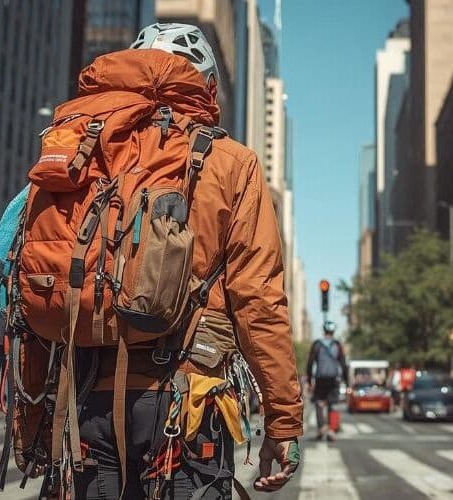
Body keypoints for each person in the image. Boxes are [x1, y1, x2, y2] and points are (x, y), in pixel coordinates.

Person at [66, 24, 304, 498]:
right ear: (209, 88)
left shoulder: (80, 149)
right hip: (186, 403)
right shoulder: (232, 163)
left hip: (88, 401)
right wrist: (283, 422)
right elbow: (257, 300)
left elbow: (36, 275)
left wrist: (29, 418)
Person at [306, 321, 349, 441]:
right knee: (333, 404)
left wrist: (310, 380)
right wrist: (347, 381)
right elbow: (343, 364)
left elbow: (310, 363)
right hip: (334, 379)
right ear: (333, 332)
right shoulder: (337, 345)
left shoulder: (317, 344)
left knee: (319, 403)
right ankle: (331, 430)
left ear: (323, 331)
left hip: (320, 379)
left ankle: (321, 428)